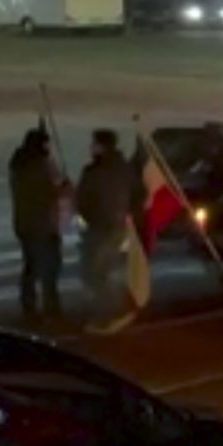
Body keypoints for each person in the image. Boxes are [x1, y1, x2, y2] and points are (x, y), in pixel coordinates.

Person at [9, 128, 71, 323]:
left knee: (31, 266)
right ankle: (51, 307)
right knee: (49, 267)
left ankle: (29, 305)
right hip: (43, 224)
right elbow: (48, 193)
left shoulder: (18, 165)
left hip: (25, 223)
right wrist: (64, 188)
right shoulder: (41, 167)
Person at [73, 130, 134, 325]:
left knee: (93, 272)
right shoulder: (124, 168)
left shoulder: (93, 171)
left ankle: (110, 311)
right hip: (117, 226)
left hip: (100, 227)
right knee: (105, 270)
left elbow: (82, 200)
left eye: (94, 143)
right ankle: (112, 308)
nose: (91, 147)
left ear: (102, 146)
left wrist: (81, 210)